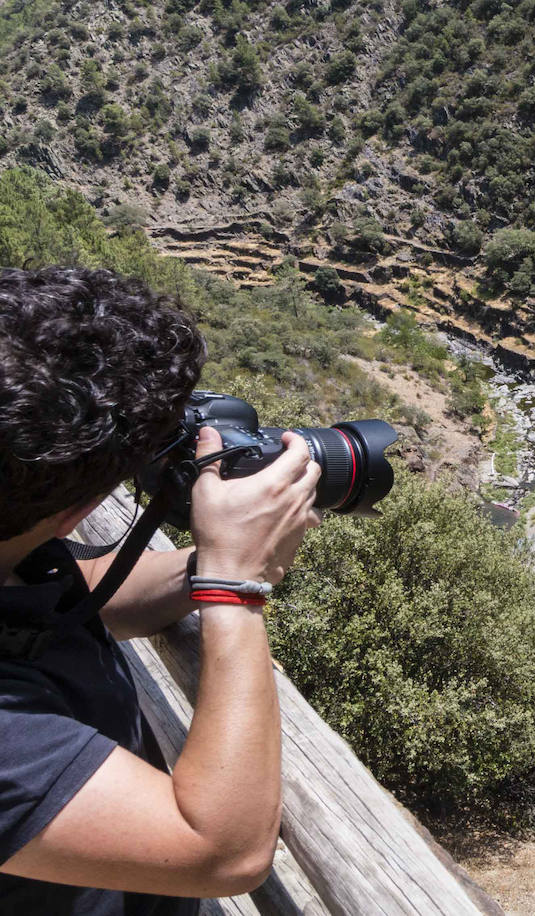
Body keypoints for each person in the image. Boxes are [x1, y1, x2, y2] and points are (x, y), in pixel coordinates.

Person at [0, 267, 321, 913]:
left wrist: (216, 556)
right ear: (80, 509)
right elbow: (221, 852)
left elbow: (81, 597)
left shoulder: (15, 557)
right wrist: (235, 591)